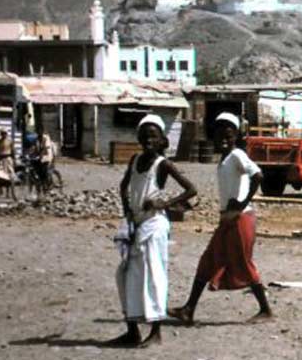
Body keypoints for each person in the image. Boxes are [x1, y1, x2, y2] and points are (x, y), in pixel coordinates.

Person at [170, 112, 273, 326]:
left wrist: (242, 203)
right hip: (227, 219)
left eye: (228, 135)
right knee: (207, 261)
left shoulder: (237, 155)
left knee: (244, 264)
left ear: (236, 136)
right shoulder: (225, 159)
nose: (223, 139)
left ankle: (265, 309)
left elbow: (258, 175)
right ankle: (188, 309)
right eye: (219, 135)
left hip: (240, 219)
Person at [111, 114, 197, 347]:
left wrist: (164, 203)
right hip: (137, 223)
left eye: (153, 136)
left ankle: (156, 331)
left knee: (153, 275)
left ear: (161, 140)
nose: (148, 140)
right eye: (144, 136)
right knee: (125, 274)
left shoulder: (163, 164)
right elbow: (123, 186)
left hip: (154, 225)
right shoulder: (135, 160)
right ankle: (132, 330)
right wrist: (128, 212)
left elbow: (191, 190)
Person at [0, 129, 16, 199]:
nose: (3, 135)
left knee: (8, 177)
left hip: (7, 159)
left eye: (5, 133)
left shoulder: (10, 141)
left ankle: (8, 193)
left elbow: (13, 151)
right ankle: (1, 191)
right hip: (0, 160)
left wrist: (14, 160)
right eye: (2, 133)